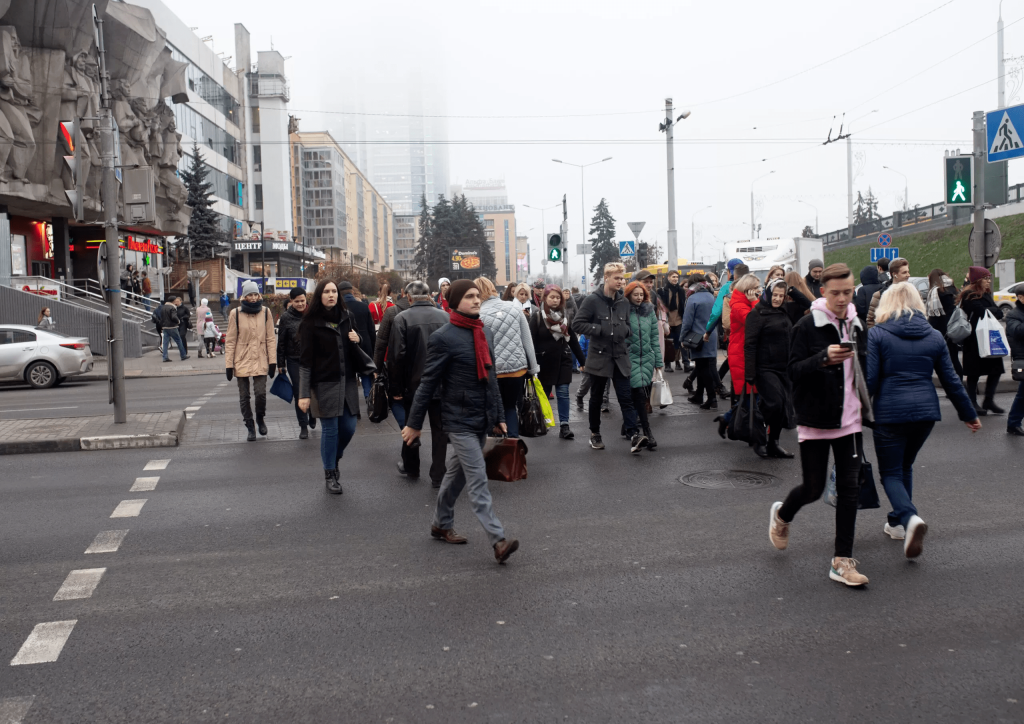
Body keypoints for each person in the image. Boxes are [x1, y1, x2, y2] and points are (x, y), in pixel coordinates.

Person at [768, 263, 874, 588]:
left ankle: (842, 560)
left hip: (850, 419)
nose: (842, 299)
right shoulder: (806, 325)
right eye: (835, 293)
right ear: (823, 292)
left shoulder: (856, 323)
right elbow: (792, 370)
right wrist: (822, 359)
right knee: (812, 489)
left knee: (849, 489)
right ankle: (783, 514)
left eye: (848, 292)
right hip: (816, 419)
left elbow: (863, 368)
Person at [402, 280, 519, 564]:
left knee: (456, 475)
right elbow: (428, 383)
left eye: (478, 295)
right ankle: (498, 539)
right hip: (458, 419)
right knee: (478, 479)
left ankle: (441, 524)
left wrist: (500, 417)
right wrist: (414, 423)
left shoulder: (485, 333)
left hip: (482, 417)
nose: (476, 300)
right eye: (469, 296)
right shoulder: (444, 337)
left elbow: (491, 380)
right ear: (454, 303)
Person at [867, 282, 981, 558]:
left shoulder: (878, 334)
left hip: (890, 413)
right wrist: (968, 414)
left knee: (891, 472)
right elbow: (951, 380)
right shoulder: (933, 335)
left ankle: (909, 518)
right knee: (905, 465)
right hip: (925, 413)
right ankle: (897, 523)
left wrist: (852, 412)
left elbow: (869, 380)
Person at [297, 280, 365, 494]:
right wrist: (304, 394)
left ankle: (333, 457)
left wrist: (358, 338)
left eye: (334, 291)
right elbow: (305, 362)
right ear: (320, 295)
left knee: (349, 427)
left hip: (348, 382)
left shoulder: (347, 317)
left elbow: (357, 346)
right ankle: (330, 473)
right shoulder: (310, 323)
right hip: (324, 383)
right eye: (326, 291)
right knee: (330, 429)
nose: (331, 295)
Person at [572, 262, 644, 453]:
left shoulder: (624, 303)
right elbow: (577, 324)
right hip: (599, 357)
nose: (621, 281)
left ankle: (633, 434)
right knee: (596, 398)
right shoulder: (592, 300)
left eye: (622, 278)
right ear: (606, 278)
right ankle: (595, 434)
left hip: (620, 356)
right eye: (617, 278)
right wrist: (600, 329)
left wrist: (625, 330)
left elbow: (628, 326)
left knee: (625, 398)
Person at [388, 281, 451, 485]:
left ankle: (412, 468)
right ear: (428, 296)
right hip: (441, 383)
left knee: (411, 424)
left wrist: (395, 387)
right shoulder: (445, 317)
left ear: (408, 297)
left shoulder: (402, 318)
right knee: (440, 429)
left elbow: (397, 356)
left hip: (412, 384)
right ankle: (438, 473)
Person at [477, 276, 540, 438]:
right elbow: (527, 341)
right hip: (516, 370)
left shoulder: (479, 315)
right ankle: (513, 446)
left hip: (493, 372)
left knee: (492, 410)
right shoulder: (513, 309)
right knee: (511, 407)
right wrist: (533, 368)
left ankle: (494, 450)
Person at [744, 279, 796, 458]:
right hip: (764, 368)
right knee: (775, 403)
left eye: (782, 296)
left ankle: (774, 442)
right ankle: (759, 439)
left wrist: (793, 290)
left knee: (783, 407)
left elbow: (809, 305)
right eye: (775, 295)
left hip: (784, 368)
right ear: (767, 293)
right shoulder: (756, 314)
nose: (778, 299)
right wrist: (750, 373)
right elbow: (749, 345)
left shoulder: (783, 312)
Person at [531, 283, 586, 440]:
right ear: (545, 298)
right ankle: (542, 422)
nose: (555, 300)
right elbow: (531, 341)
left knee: (563, 392)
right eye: (551, 297)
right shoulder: (537, 317)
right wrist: (531, 363)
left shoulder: (565, 316)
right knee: (544, 394)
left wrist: (582, 360)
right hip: (543, 362)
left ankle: (564, 425)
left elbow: (572, 339)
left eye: (557, 297)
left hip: (563, 359)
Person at [225, 281, 277, 442]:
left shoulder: (266, 312)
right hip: (241, 358)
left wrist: (272, 361)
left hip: (261, 357)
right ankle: (250, 425)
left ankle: (260, 418)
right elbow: (231, 340)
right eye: (250, 295)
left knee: (260, 394)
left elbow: (270, 338)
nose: (253, 298)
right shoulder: (236, 313)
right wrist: (229, 365)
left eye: (255, 294)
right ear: (244, 296)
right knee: (244, 396)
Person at [958, 266, 1005, 416]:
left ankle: (988, 400)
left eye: (989, 278)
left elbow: (998, 312)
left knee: (996, 369)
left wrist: (991, 309)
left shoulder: (985, 294)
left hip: (988, 338)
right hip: (974, 339)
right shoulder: (969, 295)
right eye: (985, 278)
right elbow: (981, 311)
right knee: (974, 373)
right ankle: (972, 402)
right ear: (978, 280)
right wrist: (992, 309)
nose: (988, 281)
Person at [625, 281, 664, 450]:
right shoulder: (623, 311)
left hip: (647, 358)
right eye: (636, 294)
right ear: (628, 295)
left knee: (640, 394)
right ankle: (647, 432)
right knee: (639, 394)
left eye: (641, 294)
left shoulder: (649, 312)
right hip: (630, 358)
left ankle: (628, 425)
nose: (639, 298)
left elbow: (654, 337)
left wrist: (658, 362)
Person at [276, 286, 314, 438]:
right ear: (291, 301)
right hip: (293, 360)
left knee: (312, 390)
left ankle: (313, 413)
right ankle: (303, 425)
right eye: (297, 301)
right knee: (300, 393)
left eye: (302, 301)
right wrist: (280, 364)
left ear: (306, 300)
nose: (300, 304)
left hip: (312, 359)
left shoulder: (313, 314)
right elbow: (281, 342)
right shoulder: (286, 317)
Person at [373, 285, 411, 428]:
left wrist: (376, 369)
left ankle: (407, 429)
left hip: (396, 365)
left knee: (396, 400)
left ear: (404, 293)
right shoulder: (436, 312)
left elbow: (381, 343)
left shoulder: (392, 311)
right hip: (423, 367)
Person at [680, 274, 719, 410]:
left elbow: (687, 322)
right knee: (705, 366)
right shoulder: (711, 296)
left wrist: (682, 338)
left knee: (703, 368)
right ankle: (699, 395)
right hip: (711, 336)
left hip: (697, 338)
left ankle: (711, 398)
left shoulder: (692, 298)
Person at [337, 281, 377, 405]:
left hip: (345, 347)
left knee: (349, 377)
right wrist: (373, 348)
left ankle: (353, 407)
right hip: (364, 344)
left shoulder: (339, 308)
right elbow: (371, 329)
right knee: (365, 373)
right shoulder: (363, 307)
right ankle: (368, 398)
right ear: (352, 292)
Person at [725, 274, 761, 407]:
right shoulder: (740, 306)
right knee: (746, 398)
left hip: (742, 350)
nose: (759, 290)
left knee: (747, 397)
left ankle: (733, 421)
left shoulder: (742, 303)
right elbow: (755, 322)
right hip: (741, 352)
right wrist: (754, 301)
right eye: (756, 288)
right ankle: (732, 421)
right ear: (749, 289)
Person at [925, 269, 963, 378]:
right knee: (954, 359)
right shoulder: (955, 289)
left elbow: (934, 315)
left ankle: (951, 386)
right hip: (954, 329)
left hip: (941, 331)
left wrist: (927, 329)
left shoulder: (937, 292)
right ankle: (959, 383)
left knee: (940, 361)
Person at [867, 257, 910, 328]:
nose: (908, 275)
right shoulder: (879, 295)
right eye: (904, 272)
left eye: (908, 272)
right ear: (894, 274)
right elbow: (870, 321)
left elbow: (922, 316)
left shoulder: (914, 294)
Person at [658, 270, 686, 372]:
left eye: (676, 277)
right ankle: (667, 364)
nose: (675, 279)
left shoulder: (681, 290)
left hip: (678, 319)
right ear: (668, 278)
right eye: (673, 277)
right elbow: (660, 306)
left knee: (679, 341)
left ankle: (679, 362)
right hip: (667, 320)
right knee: (668, 342)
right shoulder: (662, 290)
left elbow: (683, 304)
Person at [1004, 287, 1024, 436]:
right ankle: (1013, 423)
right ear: (1021, 298)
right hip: (1023, 358)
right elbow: (1017, 332)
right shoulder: (1013, 315)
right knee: (1023, 395)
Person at [159, 297, 187, 362]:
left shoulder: (163, 307)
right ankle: (183, 355)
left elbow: (160, 317)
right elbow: (173, 317)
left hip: (165, 327)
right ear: (173, 301)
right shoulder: (172, 307)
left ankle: (165, 357)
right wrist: (178, 321)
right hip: (172, 327)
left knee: (165, 343)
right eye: (175, 300)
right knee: (178, 341)